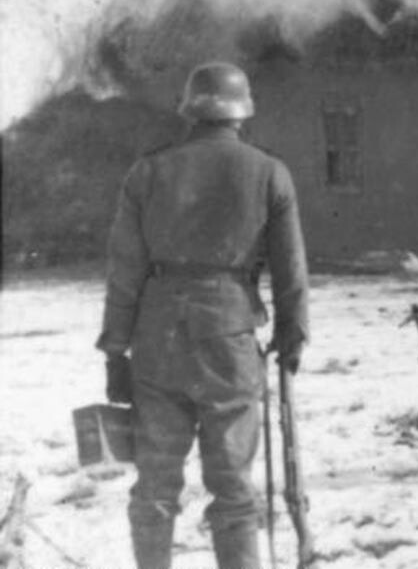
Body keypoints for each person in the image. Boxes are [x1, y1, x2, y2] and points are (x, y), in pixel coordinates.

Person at [96, 62, 309, 569]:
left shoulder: (148, 171)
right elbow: (291, 268)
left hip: (157, 339)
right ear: (242, 110)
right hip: (230, 338)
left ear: (189, 107)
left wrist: (114, 352)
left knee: (154, 485)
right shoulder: (268, 171)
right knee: (234, 485)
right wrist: (292, 333)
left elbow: (123, 271)